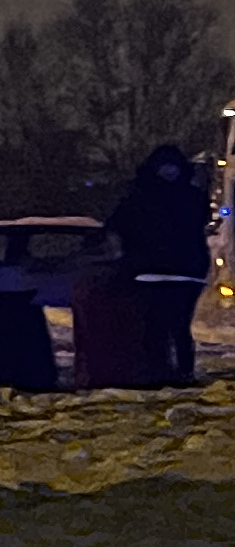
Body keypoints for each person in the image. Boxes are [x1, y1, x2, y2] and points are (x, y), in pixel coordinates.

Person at [107, 142, 213, 387]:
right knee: (179, 326)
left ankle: (158, 372)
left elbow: (116, 227)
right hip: (187, 271)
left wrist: (125, 255)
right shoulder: (193, 197)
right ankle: (183, 373)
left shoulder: (138, 196)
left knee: (154, 326)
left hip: (148, 270)